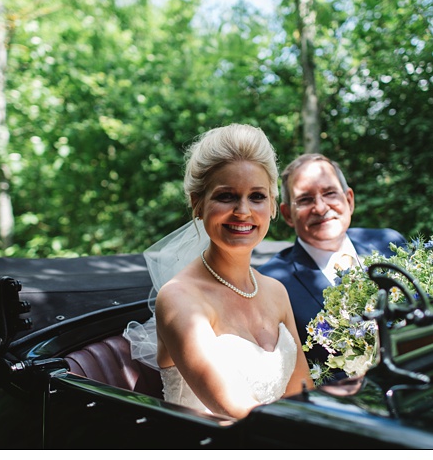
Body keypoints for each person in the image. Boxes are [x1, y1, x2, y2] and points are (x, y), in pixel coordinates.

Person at [258, 153, 433, 364]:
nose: (321, 207)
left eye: (329, 193)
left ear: (349, 200)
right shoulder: (272, 281)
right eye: (305, 199)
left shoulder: (386, 242)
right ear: (288, 214)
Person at [126, 124, 313, 420]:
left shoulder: (276, 291)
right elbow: (237, 409)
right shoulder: (179, 299)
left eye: (257, 196)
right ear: (197, 204)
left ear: (274, 206)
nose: (243, 211)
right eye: (226, 196)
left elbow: (302, 392)